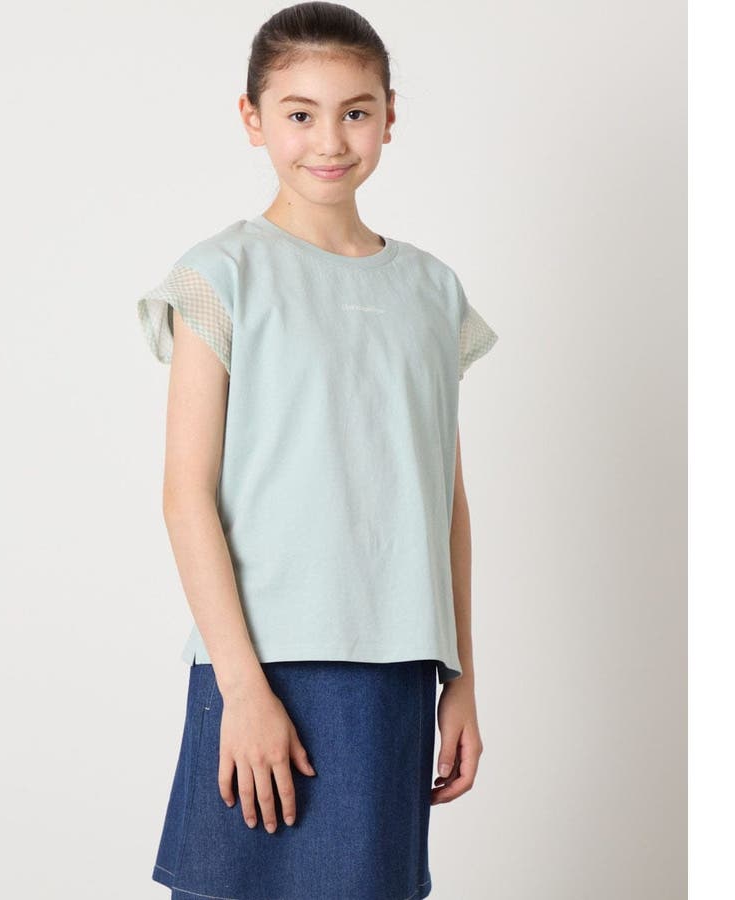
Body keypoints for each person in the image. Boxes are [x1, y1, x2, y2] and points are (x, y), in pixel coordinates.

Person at [135, 3, 498, 898]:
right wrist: (244, 689)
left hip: (395, 671)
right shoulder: (221, 276)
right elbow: (187, 496)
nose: (329, 140)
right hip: (259, 662)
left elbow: (444, 500)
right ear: (253, 117)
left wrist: (460, 677)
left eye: (355, 111)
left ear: (389, 116)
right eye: (300, 113)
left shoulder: (432, 291)